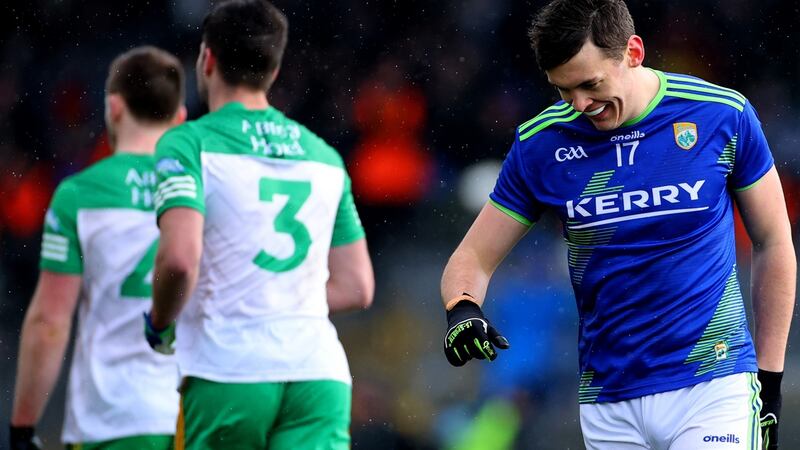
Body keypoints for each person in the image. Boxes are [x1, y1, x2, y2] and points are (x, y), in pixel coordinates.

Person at [440, 1, 795, 449]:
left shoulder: (721, 115)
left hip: (713, 385)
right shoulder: (540, 144)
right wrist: (463, 308)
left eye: (590, 84)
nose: (581, 104)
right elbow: (471, 257)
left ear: (633, 51)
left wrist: (770, 380)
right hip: (607, 401)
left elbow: (773, 240)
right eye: (563, 91)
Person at [142, 1, 375, 449]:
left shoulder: (188, 143)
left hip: (228, 372)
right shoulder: (324, 156)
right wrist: (277, 297)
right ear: (274, 68)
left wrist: (159, 323)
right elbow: (358, 287)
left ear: (206, 59)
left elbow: (178, 258)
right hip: (317, 375)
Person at [10, 46, 186, 450]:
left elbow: (49, 323)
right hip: (195, 418)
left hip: (113, 418)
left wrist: (22, 428)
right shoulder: (203, 194)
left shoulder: (79, 195)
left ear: (114, 107)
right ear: (179, 119)